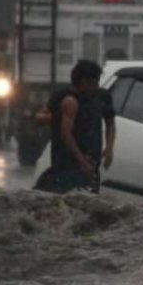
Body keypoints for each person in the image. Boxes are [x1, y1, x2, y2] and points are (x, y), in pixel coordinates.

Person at [34, 60, 116, 194]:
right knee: (66, 197)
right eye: (95, 82)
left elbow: (110, 122)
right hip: (65, 163)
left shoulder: (102, 97)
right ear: (85, 82)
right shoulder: (65, 97)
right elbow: (47, 121)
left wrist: (109, 148)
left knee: (88, 199)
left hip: (92, 162)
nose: (97, 86)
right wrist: (59, 117)